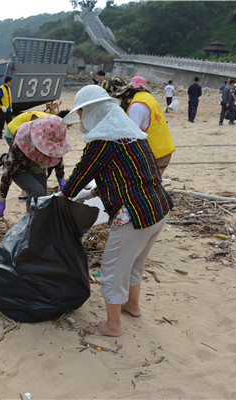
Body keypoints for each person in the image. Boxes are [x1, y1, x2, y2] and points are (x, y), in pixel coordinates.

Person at [61, 85, 173, 337]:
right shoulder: (132, 136)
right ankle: (132, 305)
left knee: (112, 270)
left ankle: (112, 326)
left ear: (92, 112)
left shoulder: (102, 141)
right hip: (158, 208)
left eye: (82, 113)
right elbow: (128, 176)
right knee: (134, 263)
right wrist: (93, 193)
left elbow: (79, 176)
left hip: (132, 214)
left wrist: (60, 197)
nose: (80, 119)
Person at [0, 115, 69, 215]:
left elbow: (58, 155)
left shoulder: (56, 131)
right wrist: (1, 199)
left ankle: (37, 223)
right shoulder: (22, 138)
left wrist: (61, 179)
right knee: (37, 191)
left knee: (42, 199)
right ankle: (30, 223)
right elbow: (9, 169)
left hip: (38, 167)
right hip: (20, 167)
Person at [111, 76, 175, 176]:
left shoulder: (136, 105)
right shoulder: (148, 98)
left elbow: (130, 137)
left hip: (155, 154)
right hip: (164, 151)